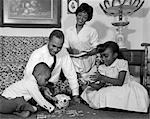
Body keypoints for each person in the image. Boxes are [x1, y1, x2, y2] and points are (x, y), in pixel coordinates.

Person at [81, 41, 150, 112]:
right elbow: (100, 86)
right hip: (109, 87)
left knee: (114, 93)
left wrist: (102, 77)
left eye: (106, 56)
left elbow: (120, 82)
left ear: (115, 55)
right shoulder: (102, 67)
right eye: (102, 56)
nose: (103, 59)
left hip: (124, 86)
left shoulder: (121, 63)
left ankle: (116, 106)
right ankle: (112, 106)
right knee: (100, 93)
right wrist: (89, 83)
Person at [23, 30, 80, 103]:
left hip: (53, 86)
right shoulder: (37, 54)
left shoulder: (63, 52)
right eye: (53, 46)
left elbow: (71, 73)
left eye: (59, 47)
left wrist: (75, 95)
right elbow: (28, 76)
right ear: (48, 41)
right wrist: (42, 89)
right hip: (37, 86)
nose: (55, 50)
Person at [64, 3, 100, 91]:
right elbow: (65, 47)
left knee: (89, 81)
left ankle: (85, 84)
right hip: (73, 60)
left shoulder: (92, 31)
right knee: (72, 77)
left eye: (85, 16)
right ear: (76, 15)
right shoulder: (68, 30)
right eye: (79, 15)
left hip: (87, 60)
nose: (81, 18)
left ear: (88, 18)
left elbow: (96, 48)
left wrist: (87, 53)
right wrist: (72, 51)